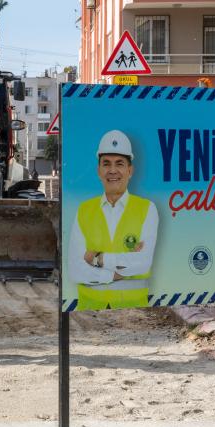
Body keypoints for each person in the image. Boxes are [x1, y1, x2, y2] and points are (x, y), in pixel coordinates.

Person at [68, 130, 159, 311]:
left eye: (120, 164)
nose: (112, 170)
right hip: (89, 314)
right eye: (106, 164)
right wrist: (114, 274)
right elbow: (74, 269)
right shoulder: (85, 210)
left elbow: (143, 262)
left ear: (130, 170)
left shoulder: (147, 209)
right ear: (98, 170)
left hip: (134, 313)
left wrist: (97, 259)